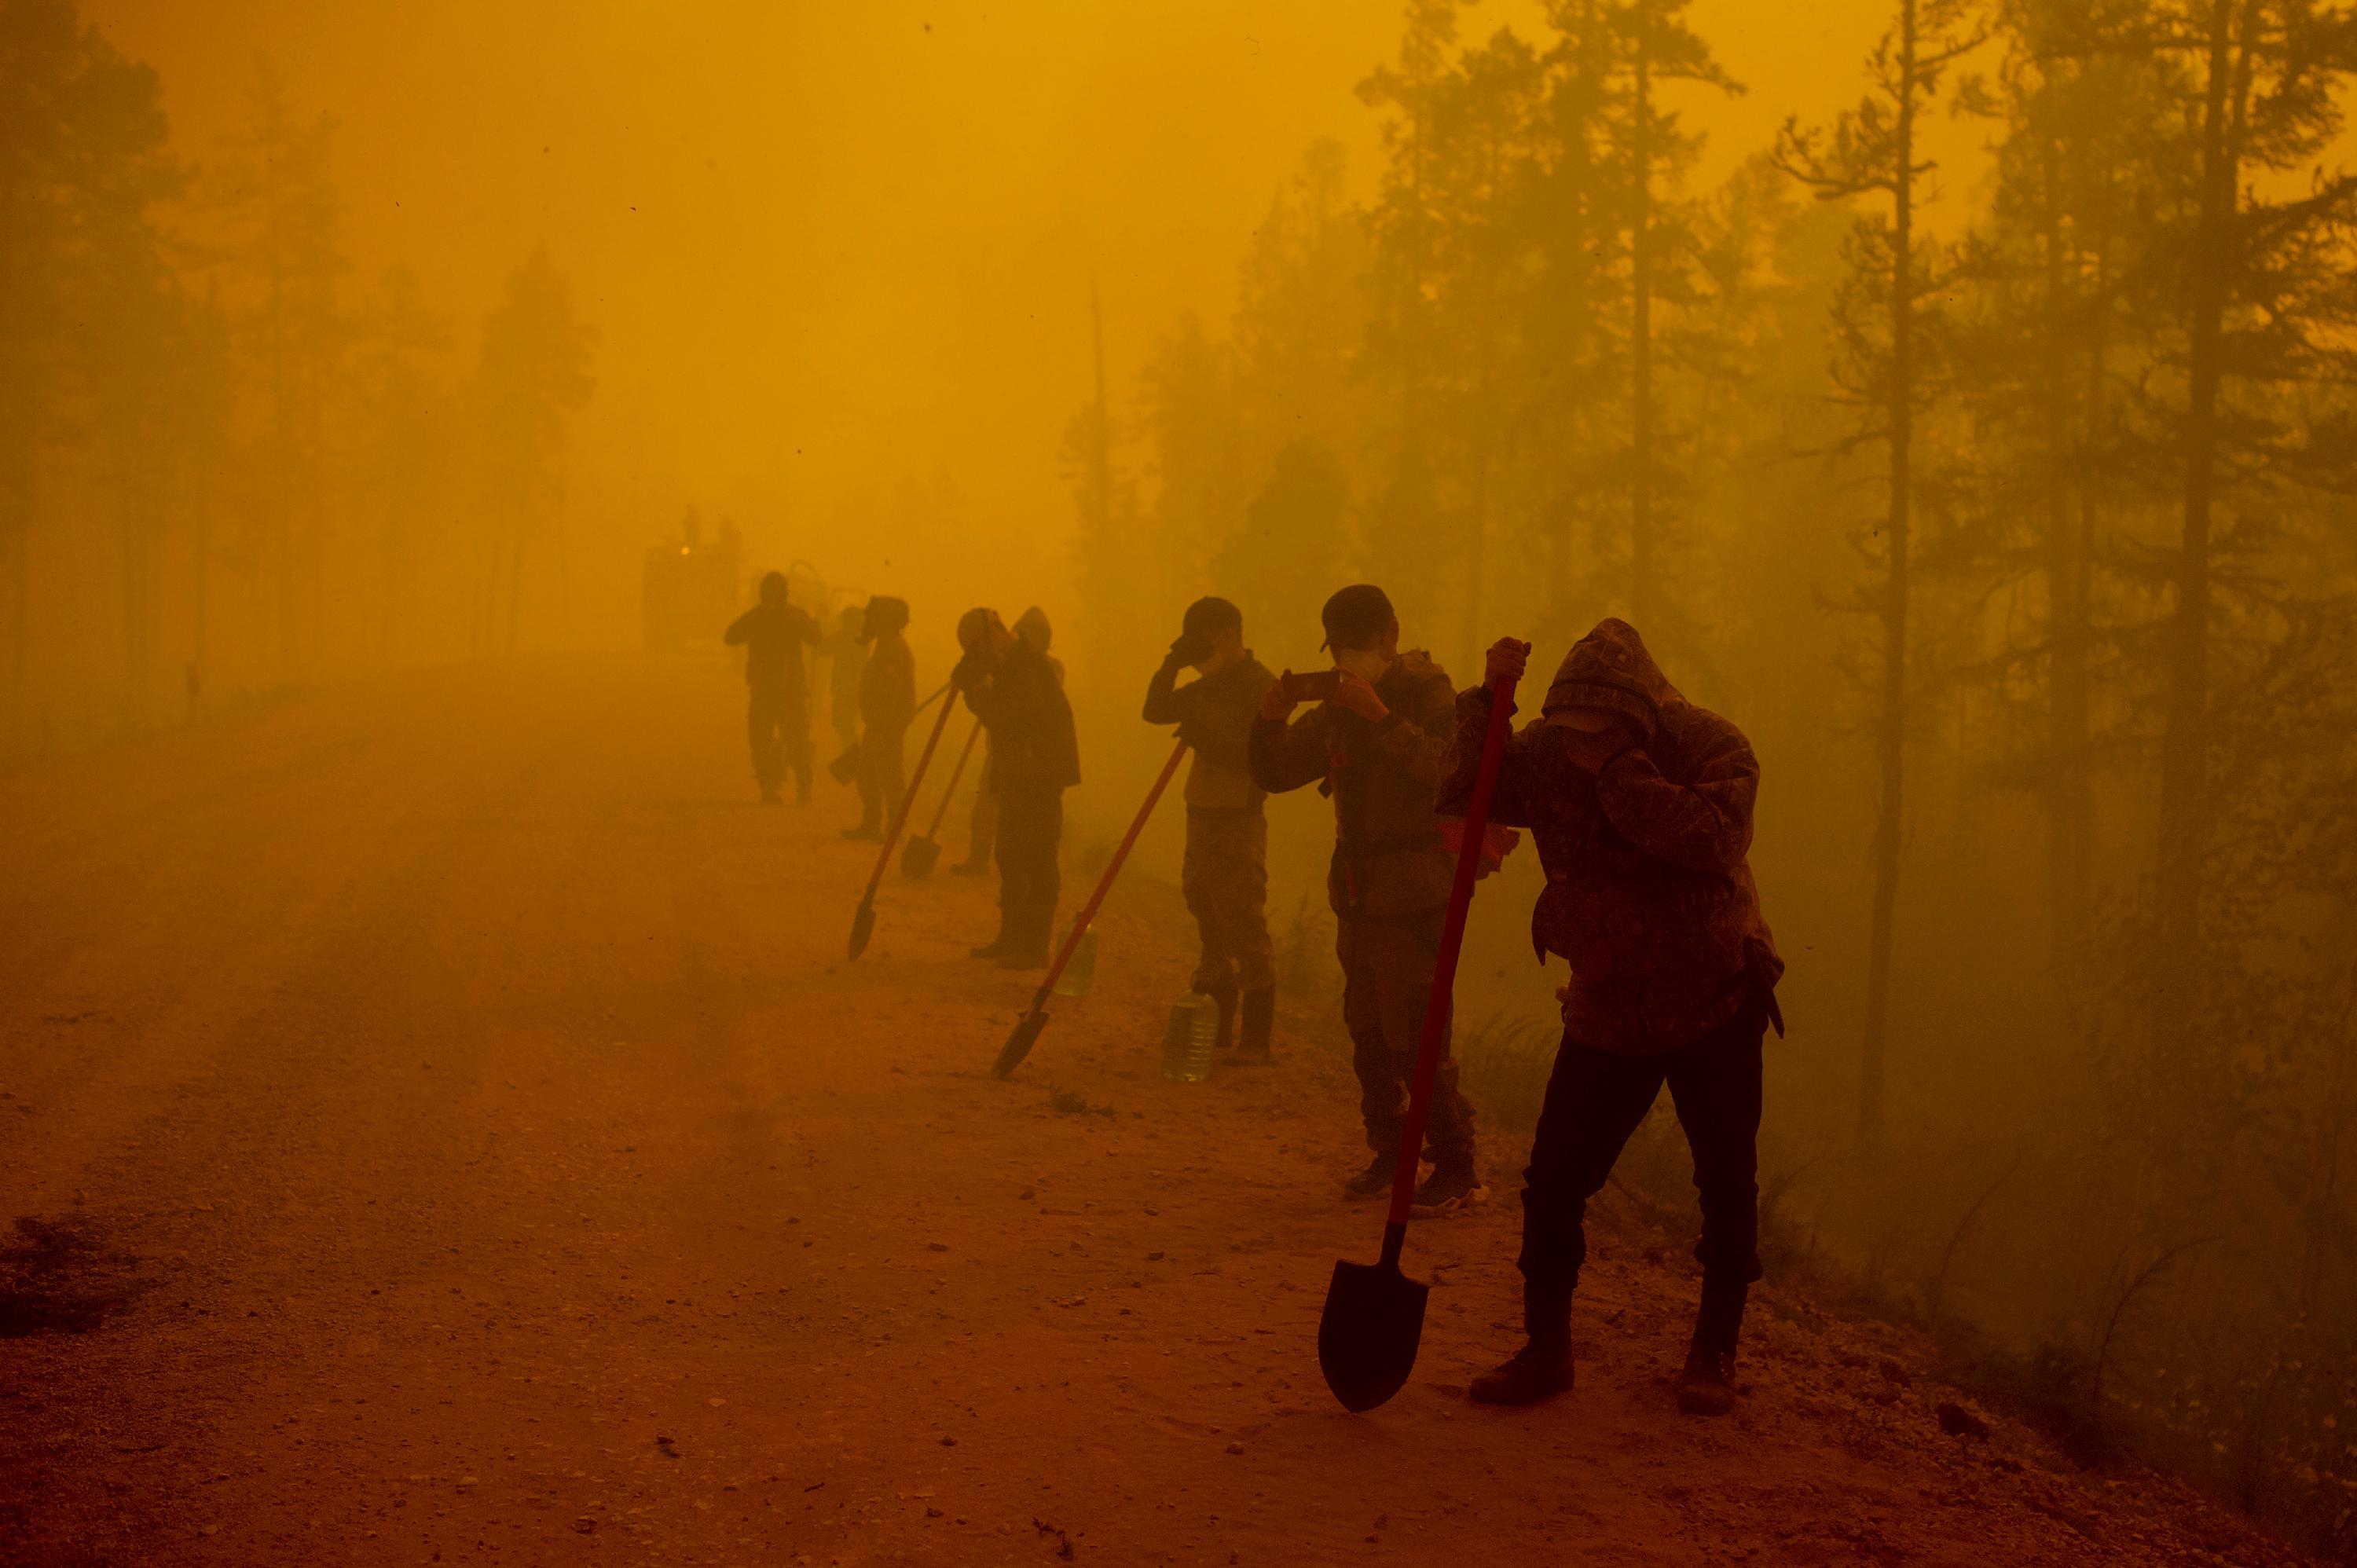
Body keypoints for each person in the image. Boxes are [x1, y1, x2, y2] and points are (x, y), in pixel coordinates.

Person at [1441, 620, 1783, 1416]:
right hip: (1606, 1002)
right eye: (1572, 731)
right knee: (1555, 1178)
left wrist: (1621, 775)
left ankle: (1713, 1352)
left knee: (1726, 1182)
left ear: (1638, 719)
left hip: (1716, 998)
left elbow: (1713, 838)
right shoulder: (1548, 749)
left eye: (1599, 731)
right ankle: (1546, 1347)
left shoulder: (1709, 747)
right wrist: (1488, 707)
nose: (1580, 744)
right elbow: (1465, 793)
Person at [1248, 584, 1483, 1212]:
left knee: (1417, 1033)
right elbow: (1276, 773)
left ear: (1391, 635)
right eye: (1339, 649)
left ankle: (1456, 1161)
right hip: (1358, 896)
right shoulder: (1337, 707)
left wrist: (1381, 716)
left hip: (1415, 896)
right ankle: (1389, 1146)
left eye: (1360, 644)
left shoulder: (1427, 692)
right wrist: (1270, 716)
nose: (1351, 658)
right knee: (1368, 1032)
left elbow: (1448, 770)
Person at [1143, 596, 1278, 1062]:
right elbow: (1155, 709)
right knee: (1203, 908)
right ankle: (1217, 1024)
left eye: (1201, 643)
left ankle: (1257, 1039)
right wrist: (1170, 666)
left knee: (1243, 917)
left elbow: (1253, 757)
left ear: (1227, 635)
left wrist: (1200, 733)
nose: (1198, 655)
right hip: (1200, 812)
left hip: (1238, 818)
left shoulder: (1261, 687)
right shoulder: (1208, 684)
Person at [955, 606, 1080, 969]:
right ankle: (1011, 937)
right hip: (1016, 775)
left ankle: (1034, 947)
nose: (979, 657)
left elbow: (1008, 717)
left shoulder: (1029, 665)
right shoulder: (1010, 665)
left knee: (1037, 858)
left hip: (1039, 778)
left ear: (994, 635)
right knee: (1009, 854)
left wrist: (976, 693)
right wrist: (976, 683)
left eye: (977, 648)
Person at [723, 570, 820, 805]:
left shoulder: (780, 616)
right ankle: (778, 790)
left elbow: (815, 637)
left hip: (782, 690)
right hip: (775, 690)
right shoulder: (787, 615)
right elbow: (731, 636)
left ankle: (796, 790)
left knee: (789, 742)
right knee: (773, 742)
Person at [847, 596, 915, 841]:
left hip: (886, 726)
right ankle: (871, 824)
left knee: (890, 777)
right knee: (868, 775)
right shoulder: (886, 644)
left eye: (874, 618)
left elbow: (891, 691)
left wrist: (882, 724)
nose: (869, 622)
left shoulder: (893, 649)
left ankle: (893, 829)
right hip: (879, 724)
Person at [822, 604, 868, 766]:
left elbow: (822, 647)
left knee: (843, 724)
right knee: (844, 724)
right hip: (852, 689)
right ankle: (855, 759)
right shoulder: (861, 638)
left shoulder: (846, 637)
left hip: (846, 690)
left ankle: (857, 761)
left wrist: (819, 622)